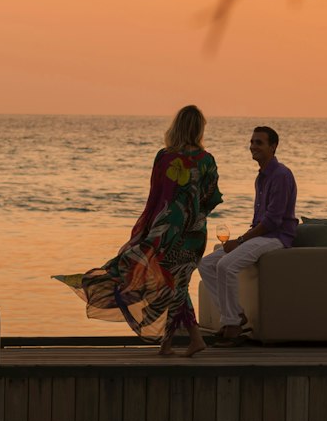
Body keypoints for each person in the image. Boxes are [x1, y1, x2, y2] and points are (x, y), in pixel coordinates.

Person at [57, 105, 223, 356]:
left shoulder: (165, 157)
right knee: (176, 284)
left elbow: (155, 196)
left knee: (169, 282)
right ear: (199, 128)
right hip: (195, 234)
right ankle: (178, 342)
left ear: (176, 126)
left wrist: (144, 229)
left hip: (166, 230)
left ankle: (180, 340)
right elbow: (211, 199)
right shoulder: (207, 160)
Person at [199, 125, 296, 342]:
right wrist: (242, 239)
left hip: (277, 238)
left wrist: (241, 240)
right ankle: (234, 315)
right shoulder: (261, 177)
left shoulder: (281, 175)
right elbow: (259, 221)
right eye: (252, 142)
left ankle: (232, 325)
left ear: (273, 147)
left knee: (226, 265)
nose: (253, 146)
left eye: (259, 143)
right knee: (206, 265)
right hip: (261, 235)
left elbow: (272, 221)